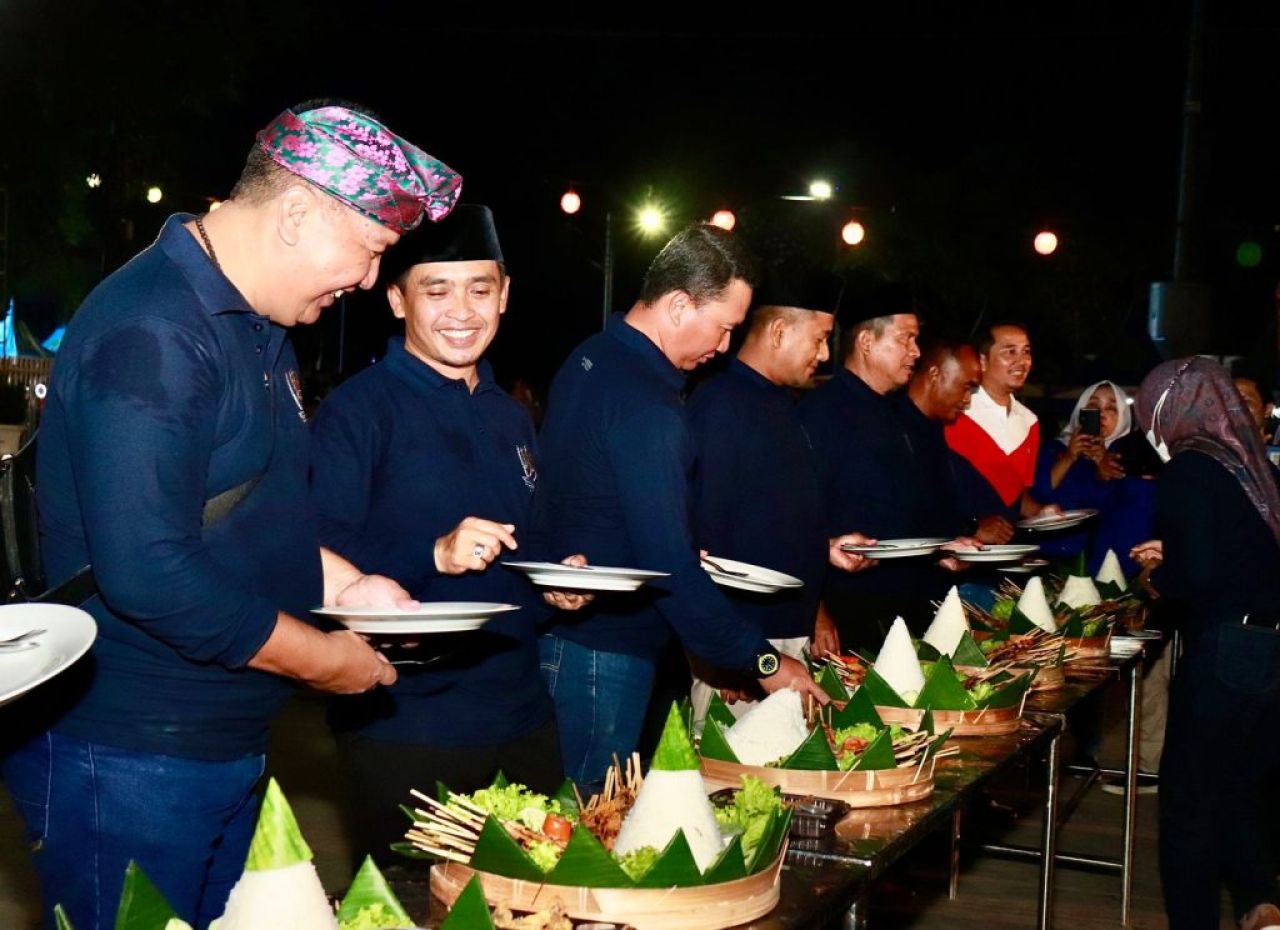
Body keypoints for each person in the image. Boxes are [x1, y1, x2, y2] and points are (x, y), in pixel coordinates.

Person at [0, 101, 461, 929]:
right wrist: (325, 662)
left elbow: (247, 514)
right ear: (295, 215)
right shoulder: (155, 329)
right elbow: (149, 572)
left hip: (214, 740)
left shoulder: (259, 325)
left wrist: (352, 585)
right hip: (128, 752)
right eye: (371, 251)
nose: (365, 280)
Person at [309, 205, 590, 862]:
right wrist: (432, 553)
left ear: (506, 294)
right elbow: (312, 548)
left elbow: (529, 536)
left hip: (524, 717)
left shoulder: (510, 416)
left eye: (480, 289)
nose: (462, 310)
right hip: (405, 724)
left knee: (531, 899)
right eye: (436, 290)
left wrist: (560, 576)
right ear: (397, 299)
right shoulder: (358, 411)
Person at [532, 224, 828, 790]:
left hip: (568, 636)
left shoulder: (590, 356)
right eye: (723, 328)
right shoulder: (649, 405)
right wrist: (764, 662)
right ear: (677, 304)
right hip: (604, 652)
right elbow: (668, 565)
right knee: (582, 826)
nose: (722, 348)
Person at [685, 263, 874, 720]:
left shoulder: (781, 404)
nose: (825, 354)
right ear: (779, 331)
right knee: (734, 786)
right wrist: (725, 658)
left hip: (784, 638)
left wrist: (823, 553)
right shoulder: (720, 405)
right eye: (820, 337)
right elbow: (700, 545)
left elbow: (770, 518)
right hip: (746, 649)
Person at [1130, 357, 1280, 930]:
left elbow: (1195, 576)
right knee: (1237, 793)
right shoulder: (1250, 467)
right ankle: (1263, 909)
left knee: (1188, 807)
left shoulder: (1192, 466)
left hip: (1228, 650)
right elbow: (1239, 555)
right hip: (1269, 644)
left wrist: (1155, 578)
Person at [797, 286, 978, 647]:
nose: (915, 351)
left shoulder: (901, 415)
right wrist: (813, 610)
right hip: (846, 614)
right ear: (866, 341)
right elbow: (797, 520)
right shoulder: (817, 414)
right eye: (906, 338)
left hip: (907, 612)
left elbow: (912, 512)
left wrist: (948, 548)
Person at [1034, 381, 1161, 576]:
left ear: (1123, 418)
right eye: (1093, 406)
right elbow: (1039, 494)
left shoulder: (1127, 454)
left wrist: (1101, 462)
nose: (1101, 413)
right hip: (1051, 554)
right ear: (1080, 411)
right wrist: (1069, 457)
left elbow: (1118, 509)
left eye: (1111, 408)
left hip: (1105, 560)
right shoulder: (1053, 449)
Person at [904, 339, 1014, 545]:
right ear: (935, 374)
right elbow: (908, 512)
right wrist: (971, 528)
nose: (967, 400)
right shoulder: (896, 428)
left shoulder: (933, 429)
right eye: (966, 387)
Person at [946, 322, 1058, 523]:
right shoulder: (955, 412)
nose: (1022, 361)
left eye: (1026, 352)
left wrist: (1042, 513)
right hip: (960, 542)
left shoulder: (1030, 422)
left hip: (1008, 544)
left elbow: (1016, 495)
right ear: (982, 361)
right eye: (1010, 352)